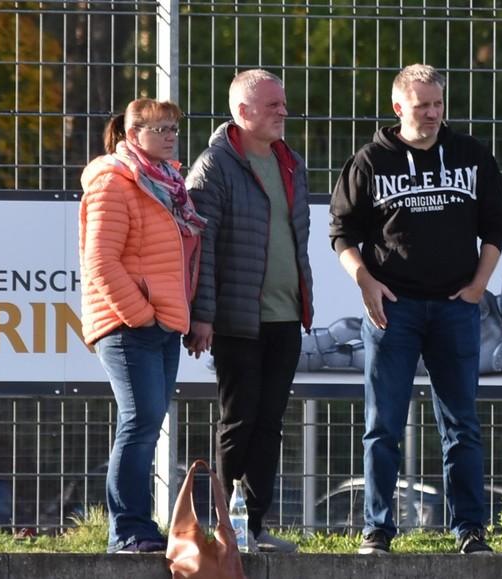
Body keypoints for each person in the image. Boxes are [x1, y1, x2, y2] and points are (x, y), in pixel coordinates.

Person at [329, 64, 502, 555]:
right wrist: (365, 281)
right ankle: (377, 530)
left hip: (455, 308)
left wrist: (478, 286)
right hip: (394, 311)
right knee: (383, 426)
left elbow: (496, 226)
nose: (432, 114)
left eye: (437, 104)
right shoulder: (369, 161)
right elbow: (341, 233)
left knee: (461, 426)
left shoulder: (471, 155)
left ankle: (469, 530)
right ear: (398, 108)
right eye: (421, 105)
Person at [184, 69, 313, 553]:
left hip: (286, 316)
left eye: (283, 103)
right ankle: (226, 528)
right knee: (239, 421)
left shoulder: (291, 162)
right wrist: (203, 315)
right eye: (272, 104)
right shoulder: (214, 166)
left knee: (270, 423)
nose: (284, 111)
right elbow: (201, 248)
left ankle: (254, 527)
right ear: (242, 112)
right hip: (237, 320)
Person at [79, 98, 206, 554]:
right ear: (133, 135)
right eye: (160, 129)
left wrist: (173, 316)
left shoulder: (167, 184)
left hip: (163, 324)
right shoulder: (114, 181)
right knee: (139, 422)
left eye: (174, 128)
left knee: (148, 423)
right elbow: (100, 261)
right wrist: (140, 314)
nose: (172, 137)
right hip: (128, 325)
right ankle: (129, 530)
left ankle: (140, 528)